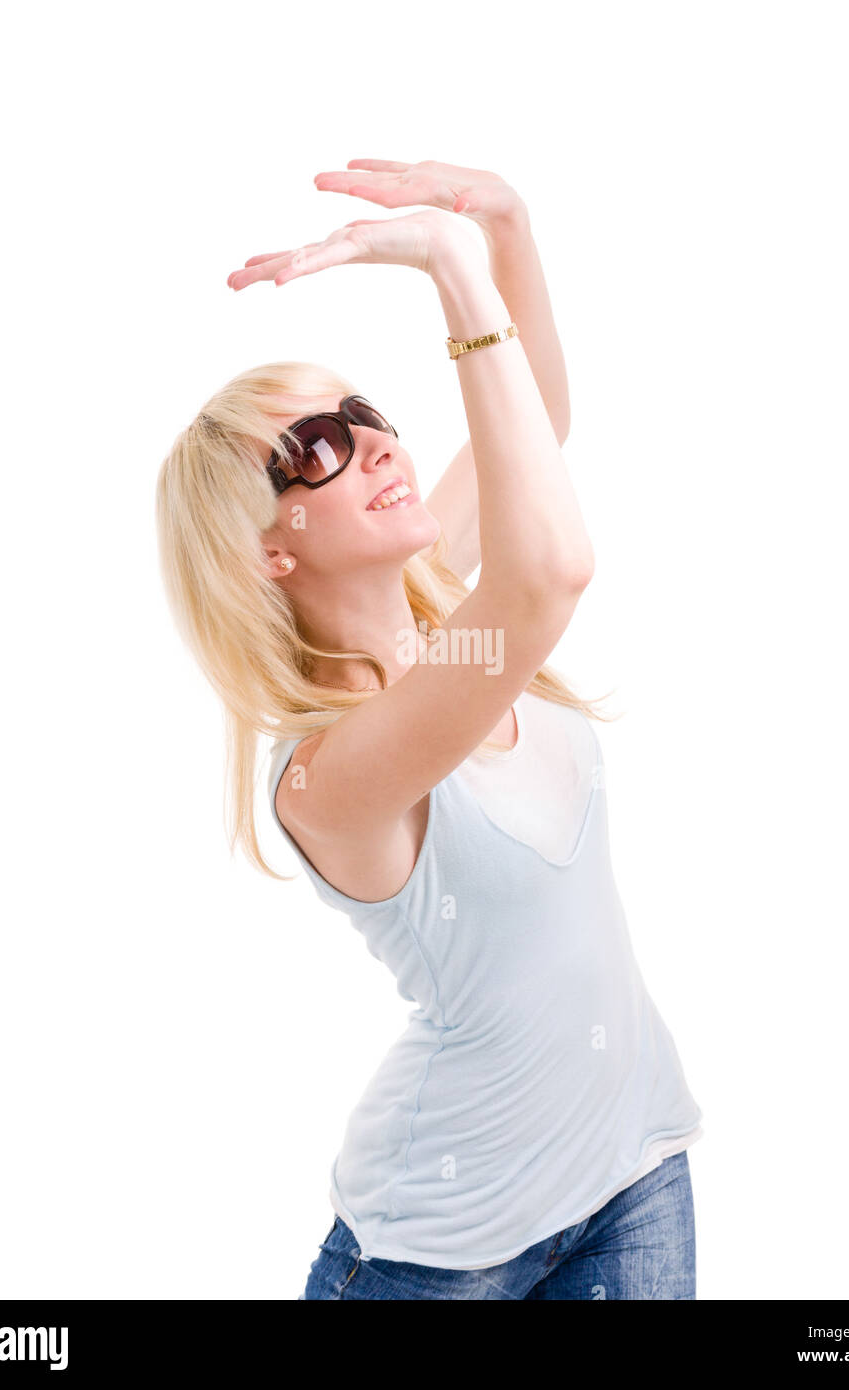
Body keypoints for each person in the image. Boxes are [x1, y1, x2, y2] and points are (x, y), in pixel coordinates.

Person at [155, 158, 703, 1300]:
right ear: (269, 549)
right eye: (316, 448)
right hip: (448, 1251)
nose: (372, 443)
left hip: (635, 1168)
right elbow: (550, 568)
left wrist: (504, 224)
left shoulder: (442, 613)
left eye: (367, 416)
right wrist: (453, 275)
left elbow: (537, 417)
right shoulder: (328, 773)